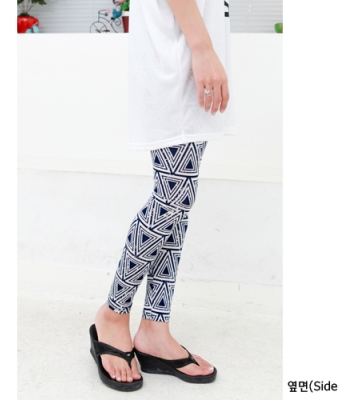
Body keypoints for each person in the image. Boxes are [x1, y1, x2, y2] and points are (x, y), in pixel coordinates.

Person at [89, 0, 236, 391]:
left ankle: (155, 326)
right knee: (172, 199)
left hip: (188, 47)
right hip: (178, 51)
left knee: (178, 203)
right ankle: (113, 313)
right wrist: (202, 49)